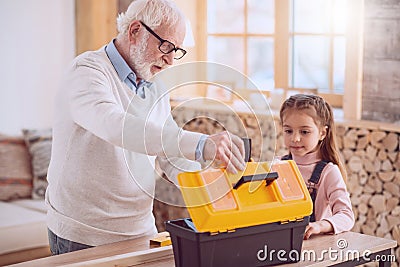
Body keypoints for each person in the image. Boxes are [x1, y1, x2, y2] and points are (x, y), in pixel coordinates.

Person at [46, 0, 245, 255]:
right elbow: (116, 127)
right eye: (166, 46)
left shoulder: (154, 87)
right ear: (135, 30)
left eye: (177, 50)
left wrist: (208, 186)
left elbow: (171, 155)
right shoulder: (86, 72)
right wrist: (200, 143)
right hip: (83, 233)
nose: (171, 60)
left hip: (140, 229)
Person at [279, 94, 354, 239]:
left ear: (322, 133)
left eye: (304, 132)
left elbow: (346, 216)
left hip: (314, 249)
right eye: (288, 131)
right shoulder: (277, 165)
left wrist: (319, 226)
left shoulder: (328, 172)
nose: (295, 138)